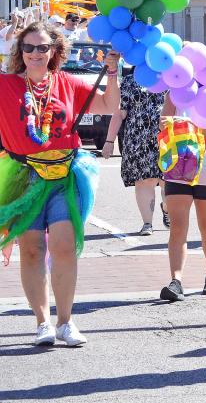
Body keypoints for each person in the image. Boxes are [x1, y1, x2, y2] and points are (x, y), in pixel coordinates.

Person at [0, 21, 120, 346]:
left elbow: (109, 106)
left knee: (64, 246)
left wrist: (111, 73)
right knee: (31, 250)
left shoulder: (67, 82)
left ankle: (65, 322)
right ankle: (42, 323)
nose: (36, 53)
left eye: (42, 47)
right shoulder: (6, 85)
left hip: (64, 176)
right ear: (20, 52)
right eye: (29, 47)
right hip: (24, 176)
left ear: (54, 50)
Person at [159, 95, 206, 302]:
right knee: (178, 227)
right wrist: (169, 124)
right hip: (178, 164)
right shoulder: (175, 90)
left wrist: (189, 124)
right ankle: (176, 280)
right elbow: (164, 123)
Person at [103, 69, 167, 234]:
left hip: (168, 138)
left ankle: (167, 208)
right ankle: (148, 223)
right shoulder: (130, 81)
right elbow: (120, 113)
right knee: (144, 181)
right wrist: (109, 141)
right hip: (138, 141)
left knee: (169, 180)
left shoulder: (171, 77)